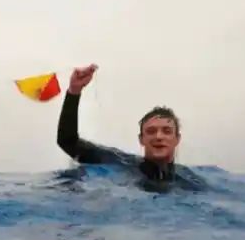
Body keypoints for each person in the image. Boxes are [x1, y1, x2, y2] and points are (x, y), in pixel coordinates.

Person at [56, 64, 206, 192]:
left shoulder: (192, 182)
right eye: (151, 131)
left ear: (177, 139)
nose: (158, 136)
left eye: (166, 131)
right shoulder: (120, 162)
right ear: (141, 139)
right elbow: (67, 141)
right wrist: (74, 92)